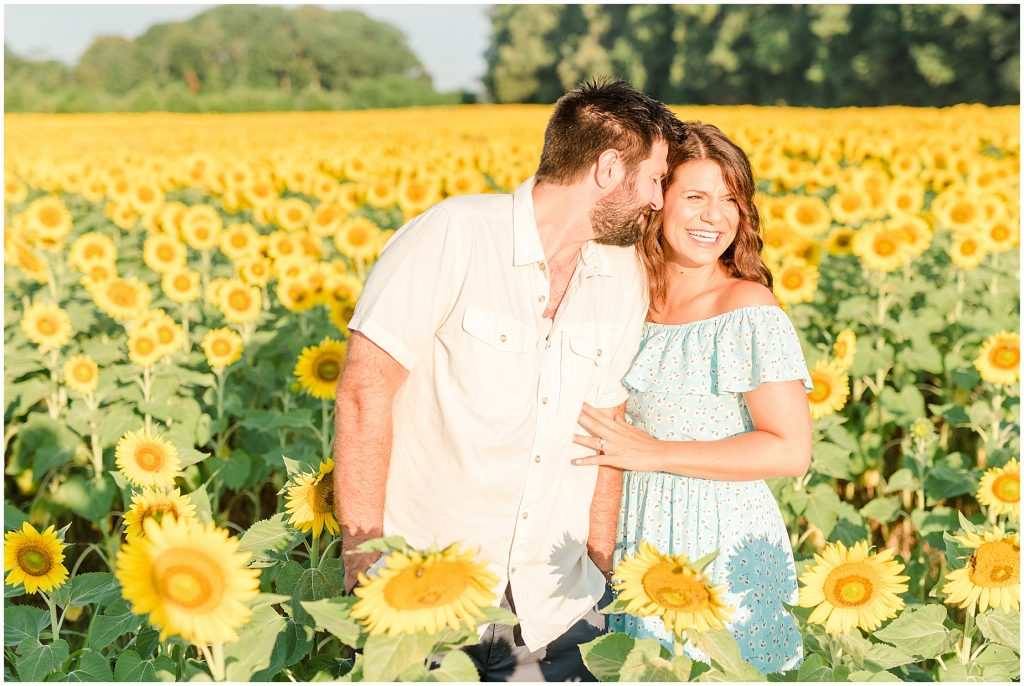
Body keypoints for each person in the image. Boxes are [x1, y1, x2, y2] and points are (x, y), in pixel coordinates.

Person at [334, 79, 682, 681]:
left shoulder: (621, 274)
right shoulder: (454, 234)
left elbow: (605, 427)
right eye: (654, 179)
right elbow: (366, 392)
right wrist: (363, 554)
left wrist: (597, 565)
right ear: (606, 169)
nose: (658, 200)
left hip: (556, 604)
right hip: (428, 591)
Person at [571, 122, 812, 675]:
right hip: (635, 539)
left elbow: (789, 451)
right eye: (696, 197)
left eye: (730, 200)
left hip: (721, 545)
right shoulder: (623, 293)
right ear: (656, 202)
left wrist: (655, 453)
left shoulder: (746, 307)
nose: (715, 216)